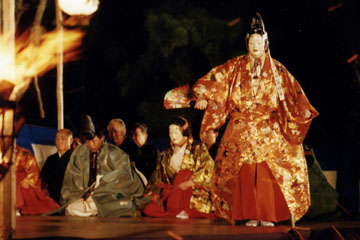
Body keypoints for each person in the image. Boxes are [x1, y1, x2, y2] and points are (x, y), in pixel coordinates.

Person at [192, 13, 319, 226]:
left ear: (265, 42)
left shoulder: (277, 69)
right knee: (245, 171)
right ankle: (250, 213)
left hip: (271, 127)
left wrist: (303, 109)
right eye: (251, 42)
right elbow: (217, 80)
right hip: (241, 127)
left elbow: (293, 92)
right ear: (246, 43)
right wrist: (202, 95)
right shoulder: (235, 66)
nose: (255, 45)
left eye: (259, 41)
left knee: (269, 171)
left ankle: (268, 214)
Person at [61, 115, 147, 217]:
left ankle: (93, 208)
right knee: (71, 208)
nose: (90, 145)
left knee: (99, 205)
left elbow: (122, 177)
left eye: (93, 141)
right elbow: (72, 177)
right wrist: (82, 193)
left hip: (108, 195)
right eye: (87, 141)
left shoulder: (116, 153)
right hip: (83, 196)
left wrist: (96, 191)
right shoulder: (80, 152)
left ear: (102, 139)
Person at [143, 116, 214, 219]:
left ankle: (184, 209)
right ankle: (176, 208)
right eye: (170, 133)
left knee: (185, 174)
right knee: (149, 208)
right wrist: (156, 191)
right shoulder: (166, 154)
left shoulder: (198, 149)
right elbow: (158, 177)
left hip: (192, 191)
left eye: (176, 133)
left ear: (185, 132)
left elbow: (208, 168)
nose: (173, 136)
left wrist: (190, 182)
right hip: (173, 191)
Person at [16, 146, 59, 215]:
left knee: (22, 184)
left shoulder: (24, 153)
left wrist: (28, 180)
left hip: (22, 180)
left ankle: (17, 207)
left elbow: (33, 169)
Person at [40, 129, 73, 204]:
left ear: (70, 141)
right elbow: (42, 178)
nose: (59, 141)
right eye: (57, 138)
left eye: (63, 138)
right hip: (51, 198)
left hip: (69, 199)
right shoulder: (51, 159)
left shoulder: (76, 158)